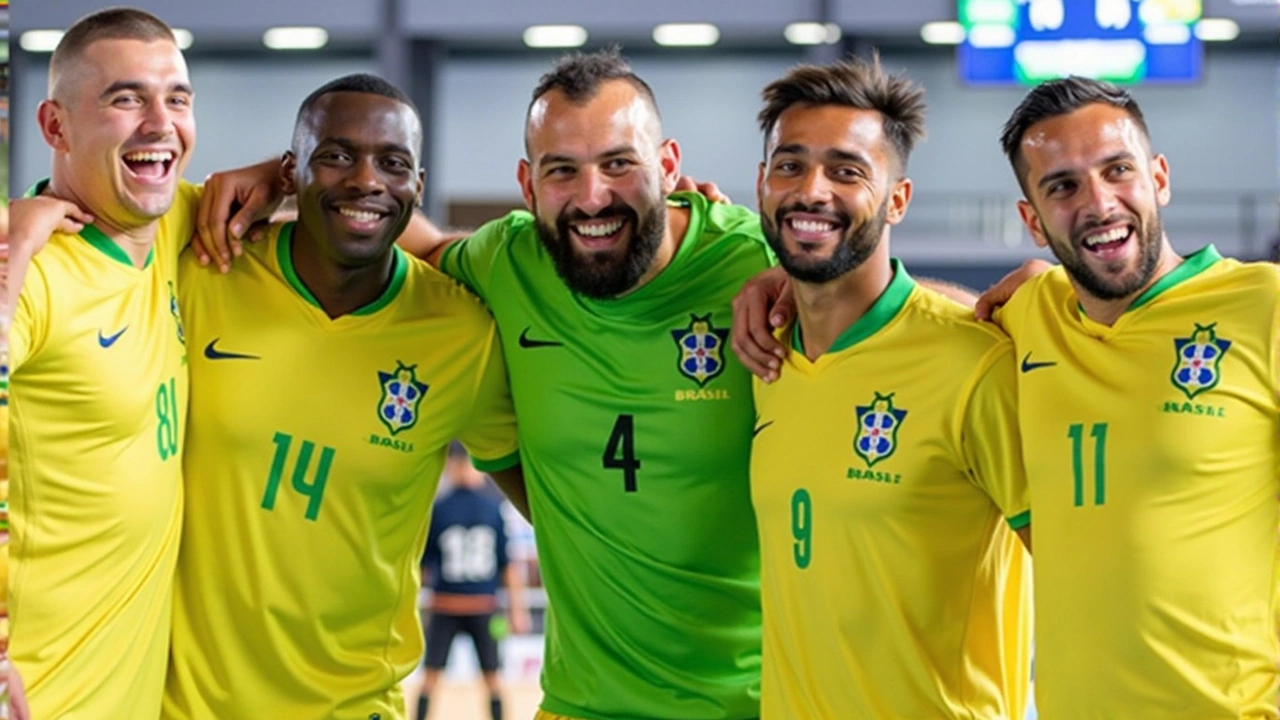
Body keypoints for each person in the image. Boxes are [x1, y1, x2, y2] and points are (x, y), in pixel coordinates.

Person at [161, 74, 521, 720]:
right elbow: (104, 212)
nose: (365, 180)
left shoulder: (463, 333)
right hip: (183, 705)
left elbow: (553, 506)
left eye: (393, 163)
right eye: (336, 155)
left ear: (417, 184)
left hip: (357, 707)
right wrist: (33, 210)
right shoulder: (204, 262)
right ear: (290, 169)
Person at [748, 57, 1031, 719]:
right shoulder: (764, 356)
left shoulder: (975, 365)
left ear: (897, 199)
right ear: (762, 184)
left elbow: (1092, 565)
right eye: (789, 165)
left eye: (847, 171)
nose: (811, 190)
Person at [992, 76, 1280, 718]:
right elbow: (927, 325)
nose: (1098, 202)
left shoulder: (1264, 306)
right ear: (1032, 221)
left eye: (1116, 170)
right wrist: (783, 283)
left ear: (1159, 178)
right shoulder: (1027, 316)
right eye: (1061, 186)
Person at [6, 8, 196, 717]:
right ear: (55, 127)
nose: (160, 122)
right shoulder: (31, 272)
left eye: (176, 98)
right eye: (126, 98)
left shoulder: (173, 224)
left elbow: (354, 202)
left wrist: (281, 168)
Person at [410, 443, 530, 720]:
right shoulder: (493, 508)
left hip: (445, 605)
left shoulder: (439, 508)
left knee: (430, 678)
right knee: (494, 679)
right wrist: (517, 610)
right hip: (482, 606)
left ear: (451, 464)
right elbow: (508, 566)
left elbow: (421, 567)